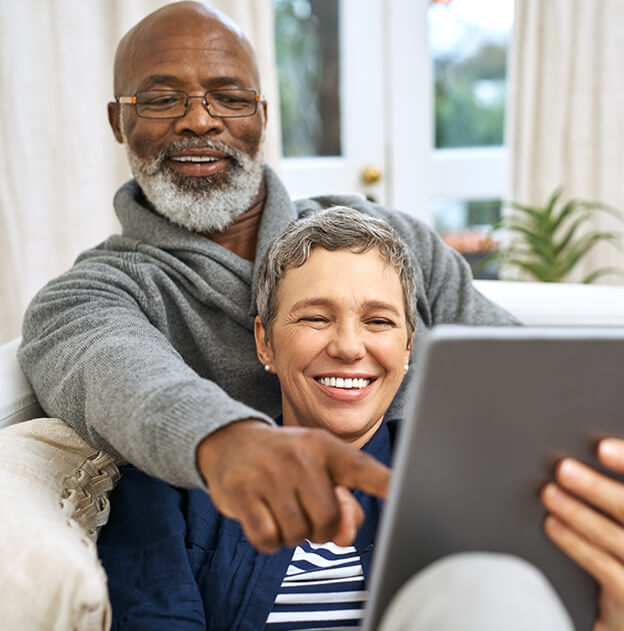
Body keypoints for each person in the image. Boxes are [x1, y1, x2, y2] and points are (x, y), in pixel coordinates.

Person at [17, 1, 516, 554]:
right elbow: (117, 371)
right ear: (119, 121)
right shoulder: (89, 295)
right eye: (162, 99)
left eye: (229, 98)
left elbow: (519, 371)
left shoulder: (396, 237)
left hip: (450, 544)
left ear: (261, 115)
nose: (200, 121)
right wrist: (227, 441)